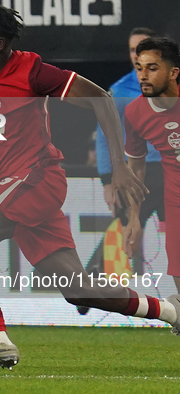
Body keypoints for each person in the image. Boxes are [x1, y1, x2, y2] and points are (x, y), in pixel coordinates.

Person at [0, 4, 179, 370]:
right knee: (78, 289)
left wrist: (121, 165)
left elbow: (100, 99)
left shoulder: (32, 70)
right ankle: (173, 312)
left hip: (36, 176)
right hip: (14, 183)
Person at [95, 27, 163, 272]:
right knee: (126, 231)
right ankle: (94, 286)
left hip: (170, 171)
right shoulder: (118, 92)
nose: (137, 54)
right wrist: (106, 179)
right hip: (135, 173)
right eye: (133, 50)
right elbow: (103, 138)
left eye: (142, 48)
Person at [124, 37, 180, 293]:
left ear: (173, 73)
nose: (143, 75)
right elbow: (135, 169)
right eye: (139, 67)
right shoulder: (135, 112)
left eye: (152, 68)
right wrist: (134, 216)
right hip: (176, 202)